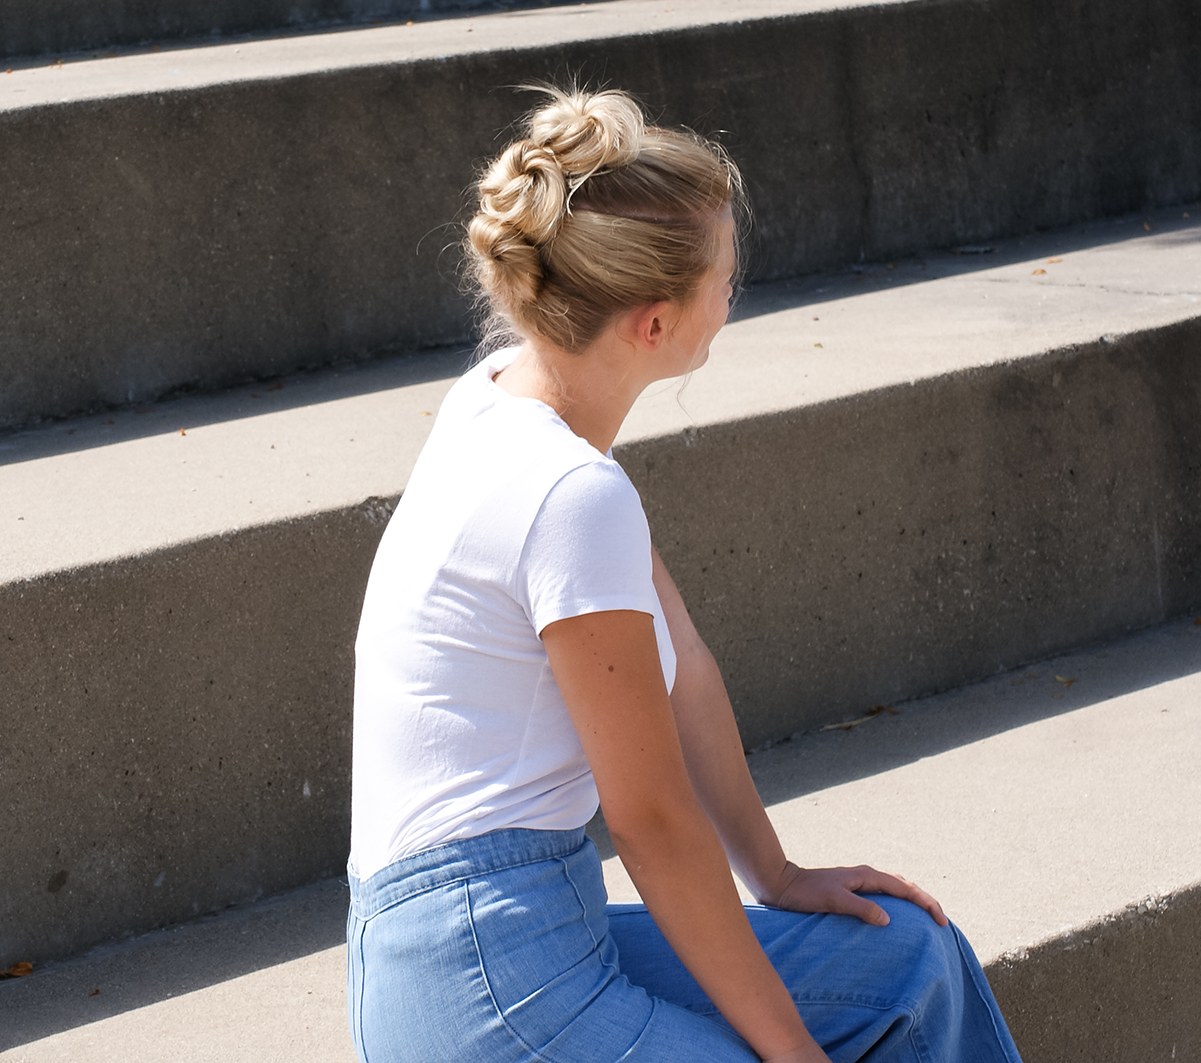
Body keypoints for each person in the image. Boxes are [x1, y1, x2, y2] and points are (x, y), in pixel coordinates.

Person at [346, 87, 1023, 1063]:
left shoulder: (512, 405)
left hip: (514, 935)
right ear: (655, 327)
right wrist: (794, 1056)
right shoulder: (569, 493)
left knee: (911, 958)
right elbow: (653, 822)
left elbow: (685, 668)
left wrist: (776, 873)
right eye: (723, 274)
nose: (734, 287)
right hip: (482, 983)